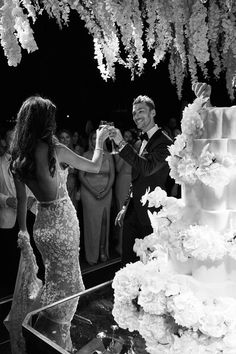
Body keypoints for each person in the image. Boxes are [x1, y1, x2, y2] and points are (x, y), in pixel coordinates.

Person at [5, 95, 109, 354]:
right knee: (71, 285)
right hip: (63, 223)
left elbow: (21, 202)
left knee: (55, 281)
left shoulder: (19, 158)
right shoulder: (56, 151)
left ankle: (48, 333)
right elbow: (95, 166)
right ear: (44, 122)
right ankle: (55, 341)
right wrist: (98, 141)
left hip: (41, 227)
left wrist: (24, 233)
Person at [109, 95, 173, 266]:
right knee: (128, 263)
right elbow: (135, 180)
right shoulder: (138, 143)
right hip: (132, 212)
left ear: (153, 113)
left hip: (151, 214)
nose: (136, 116)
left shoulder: (165, 143)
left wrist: (121, 143)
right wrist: (125, 206)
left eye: (141, 111)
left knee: (150, 265)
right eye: (134, 113)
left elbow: (147, 168)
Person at [0, 124, 37, 297]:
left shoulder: (27, 160)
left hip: (28, 214)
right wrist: (6, 200)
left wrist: (31, 197)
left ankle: (30, 288)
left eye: (17, 137)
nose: (14, 140)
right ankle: (9, 294)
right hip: (8, 218)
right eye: (10, 138)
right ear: (4, 141)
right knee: (10, 257)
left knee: (31, 254)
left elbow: (34, 182)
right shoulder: (0, 162)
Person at [79, 130, 115, 265]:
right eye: (94, 138)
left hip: (106, 192)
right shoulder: (86, 155)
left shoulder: (109, 156)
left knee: (105, 222)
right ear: (91, 140)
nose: (96, 140)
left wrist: (106, 191)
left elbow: (112, 176)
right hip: (89, 193)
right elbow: (81, 176)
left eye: (98, 138)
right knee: (91, 224)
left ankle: (102, 250)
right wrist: (94, 191)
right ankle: (92, 255)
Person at [113, 128, 140, 255]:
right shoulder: (119, 151)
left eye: (130, 136)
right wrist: (124, 153)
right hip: (123, 181)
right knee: (122, 212)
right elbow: (118, 168)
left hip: (133, 181)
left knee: (131, 214)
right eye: (126, 136)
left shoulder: (137, 149)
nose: (128, 138)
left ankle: (130, 245)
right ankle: (120, 245)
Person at [57, 128, 80, 209]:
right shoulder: (55, 153)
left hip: (72, 186)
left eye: (67, 137)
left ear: (70, 139)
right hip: (58, 187)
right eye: (62, 138)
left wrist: (79, 191)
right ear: (59, 139)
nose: (65, 140)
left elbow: (80, 174)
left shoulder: (75, 153)